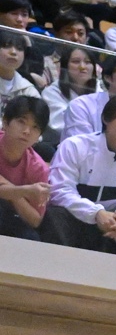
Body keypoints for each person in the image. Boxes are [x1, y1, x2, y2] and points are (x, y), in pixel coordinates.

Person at [0, 94, 50, 241]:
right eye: (21, 122)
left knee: (31, 238)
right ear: (5, 122)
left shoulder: (39, 168)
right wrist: (25, 191)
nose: (27, 131)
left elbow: (35, 220)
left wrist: (13, 192)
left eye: (35, 127)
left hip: (11, 218)